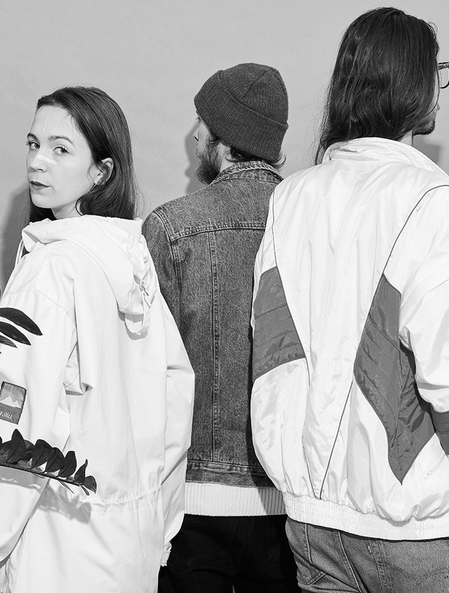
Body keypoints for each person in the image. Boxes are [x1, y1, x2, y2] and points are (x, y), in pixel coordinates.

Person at [250, 7, 449, 592]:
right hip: (417, 527)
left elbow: (273, 359)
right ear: (414, 85)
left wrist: (298, 478)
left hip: (313, 525)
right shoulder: (430, 198)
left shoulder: (291, 198)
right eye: (436, 71)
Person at [0, 87, 195, 593]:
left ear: (102, 171)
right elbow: (175, 401)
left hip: (58, 552)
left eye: (60, 149)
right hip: (129, 550)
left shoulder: (52, 270)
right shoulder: (133, 265)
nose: (38, 161)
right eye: (33, 144)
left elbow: (15, 422)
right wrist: (159, 523)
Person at [143, 63, 300, 592]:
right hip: (292, 503)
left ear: (226, 140)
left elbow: (146, 377)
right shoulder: (314, 224)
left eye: (202, 124)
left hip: (193, 503)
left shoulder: (171, 227)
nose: (193, 136)